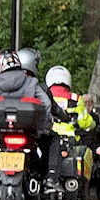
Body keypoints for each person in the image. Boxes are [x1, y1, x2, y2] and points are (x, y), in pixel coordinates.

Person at [0, 49, 52, 191]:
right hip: (28, 132)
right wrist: (42, 128)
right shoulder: (31, 81)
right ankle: (48, 178)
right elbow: (46, 104)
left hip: (2, 132)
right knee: (50, 141)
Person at [17, 47, 66, 191]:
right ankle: (51, 176)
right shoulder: (39, 87)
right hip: (34, 133)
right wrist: (64, 116)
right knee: (54, 139)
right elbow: (52, 107)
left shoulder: (6, 84)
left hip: (8, 129)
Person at [46, 65, 95, 200]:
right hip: (69, 139)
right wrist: (92, 124)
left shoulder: (45, 94)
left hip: (50, 135)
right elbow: (84, 120)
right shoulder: (74, 98)